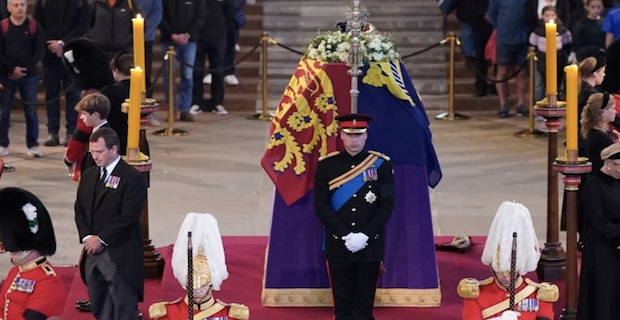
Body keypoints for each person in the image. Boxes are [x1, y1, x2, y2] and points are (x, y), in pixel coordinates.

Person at [313, 114, 395, 320]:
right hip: (338, 241)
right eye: (349, 135)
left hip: (370, 241)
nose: (354, 140)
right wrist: (345, 235)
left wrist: (365, 235)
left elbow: (387, 204)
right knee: (342, 305)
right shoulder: (327, 165)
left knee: (365, 304)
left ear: (367, 135)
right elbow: (321, 205)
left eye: (359, 135)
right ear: (341, 135)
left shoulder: (381, 164)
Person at [74, 127, 146, 320]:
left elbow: (128, 216)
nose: (95, 156)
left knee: (122, 306)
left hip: (119, 251)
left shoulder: (132, 178)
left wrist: (102, 238)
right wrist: (88, 237)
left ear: (114, 149)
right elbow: (80, 208)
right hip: (92, 252)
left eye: (99, 152)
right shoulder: (89, 175)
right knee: (98, 302)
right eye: (92, 152)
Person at [459, 201, 559, 320]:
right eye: (501, 273)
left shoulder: (539, 294)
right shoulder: (476, 294)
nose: (506, 278)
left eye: (511, 273)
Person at [149, 213, 250, 320]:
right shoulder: (167, 313)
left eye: (203, 285)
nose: (197, 290)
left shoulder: (230, 315)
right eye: (193, 285)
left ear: (211, 284)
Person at [0, 187, 66, 320]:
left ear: (32, 247)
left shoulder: (48, 281)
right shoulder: (15, 272)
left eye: (15, 250)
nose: (10, 252)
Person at [33, 0, 89, 147]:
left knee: (73, 95)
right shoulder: (43, 2)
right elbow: (37, 23)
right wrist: (52, 44)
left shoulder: (80, 2)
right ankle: (53, 131)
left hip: (72, 55)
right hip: (49, 56)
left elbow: (83, 25)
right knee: (51, 94)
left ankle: (71, 131)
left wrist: (62, 43)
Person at [576, 142, 620, 320]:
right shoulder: (593, 186)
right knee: (604, 291)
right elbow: (596, 219)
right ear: (609, 163)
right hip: (602, 245)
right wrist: (618, 238)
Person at [0, 0, 45, 158]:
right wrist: (12, 69)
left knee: (31, 112)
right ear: (9, 7)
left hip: (28, 76)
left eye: (23, 5)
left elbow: (39, 51)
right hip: (7, 76)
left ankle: (33, 144)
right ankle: (2, 143)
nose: (20, 8)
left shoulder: (34, 26)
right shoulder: (3, 26)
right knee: (3, 112)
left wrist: (24, 69)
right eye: (16, 5)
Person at [159, 0, 207, 122]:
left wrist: (188, 34)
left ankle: (185, 109)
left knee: (188, 75)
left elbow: (200, 15)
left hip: (189, 41)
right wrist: (172, 35)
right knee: (169, 76)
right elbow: (161, 16)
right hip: (169, 40)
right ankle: (172, 109)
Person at [190, 0, 233, 116]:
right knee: (197, 70)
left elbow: (229, 15)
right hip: (199, 36)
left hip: (218, 37)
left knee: (218, 71)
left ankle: (217, 103)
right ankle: (196, 102)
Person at [488, 0, 530, 118]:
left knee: (521, 72)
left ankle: (521, 103)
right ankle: (503, 104)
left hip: (522, 38)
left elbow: (530, 13)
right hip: (504, 38)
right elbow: (492, 14)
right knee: (502, 71)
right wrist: (500, 27)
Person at [529, 5, 573, 98]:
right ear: (542, 16)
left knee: (558, 83)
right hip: (542, 60)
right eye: (547, 15)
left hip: (559, 59)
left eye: (552, 15)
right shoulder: (537, 32)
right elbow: (533, 46)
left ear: (556, 15)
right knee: (540, 83)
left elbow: (567, 45)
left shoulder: (563, 31)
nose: (550, 18)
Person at [64, 93, 111, 180]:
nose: (81, 117)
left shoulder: (102, 137)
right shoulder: (97, 132)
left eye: (84, 114)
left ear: (95, 115)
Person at [101, 51, 132, 155]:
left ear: (117, 70)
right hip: (137, 138)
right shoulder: (141, 91)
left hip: (114, 139)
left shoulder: (109, 91)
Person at [581, 92, 617, 174]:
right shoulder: (600, 137)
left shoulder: (595, 131)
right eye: (612, 108)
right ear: (603, 111)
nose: (615, 112)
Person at [134, 0, 161, 95]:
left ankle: (145, 97)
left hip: (147, 37)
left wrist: (144, 29)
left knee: (146, 70)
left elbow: (157, 14)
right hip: (127, 38)